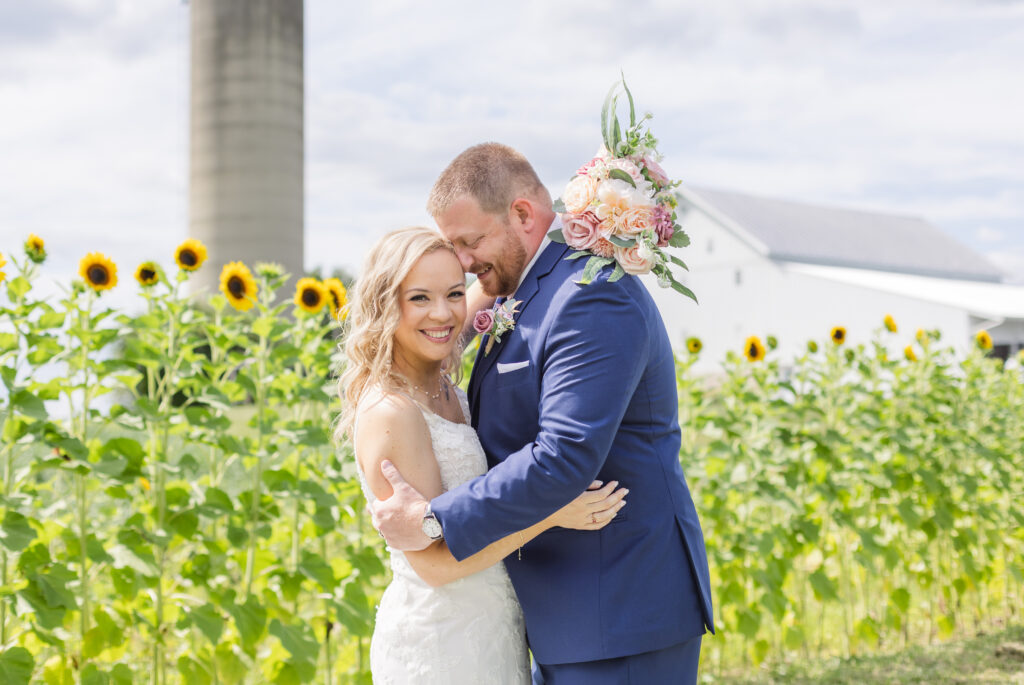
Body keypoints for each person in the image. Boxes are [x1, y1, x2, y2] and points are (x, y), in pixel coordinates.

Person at [372, 144, 715, 684]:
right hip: (560, 615)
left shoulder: (587, 293)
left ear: (524, 215)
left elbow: (564, 455)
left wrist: (435, 519)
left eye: (470, 241)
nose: (463, 262)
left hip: (617, 611)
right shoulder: (525, 292)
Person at [337, 226, 627, 684]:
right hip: (441, 642)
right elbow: (433, 565)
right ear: (383, 305)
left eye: (454, 293)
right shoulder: (393, 411)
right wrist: (551, 512)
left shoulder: (440, 381)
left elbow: (492, 283)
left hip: (492, 626)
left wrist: (596, 211)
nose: (443, 313)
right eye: (418, 298)